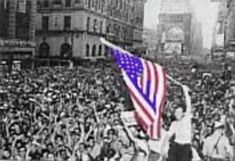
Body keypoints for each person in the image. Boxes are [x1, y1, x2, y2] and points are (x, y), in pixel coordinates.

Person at [161, 85, 192, 161]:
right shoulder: (174, 123)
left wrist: (186, 92)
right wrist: (164, 146)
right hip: (176, 145)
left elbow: (189, 106)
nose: (177, 114)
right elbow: (168, 135)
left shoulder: (186, 119)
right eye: (176, 112)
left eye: (179, 112)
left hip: (185, 147)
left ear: (182, 113)